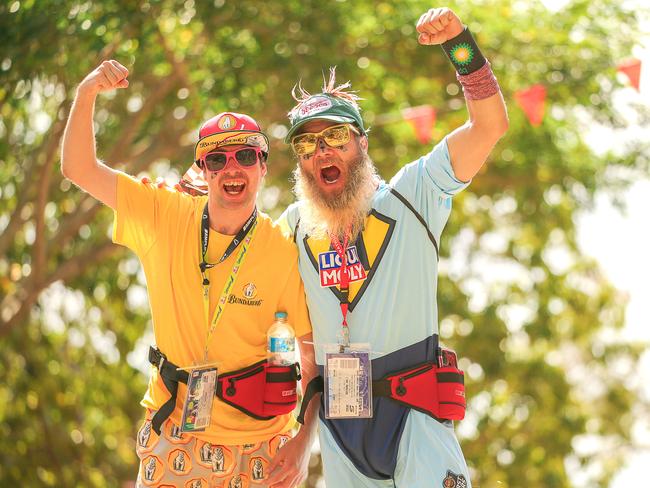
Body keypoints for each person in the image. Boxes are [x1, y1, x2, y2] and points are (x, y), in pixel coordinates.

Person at [61, 60, 318, 488]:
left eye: (246, 156)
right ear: (203, 168)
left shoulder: (283, 248)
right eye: (217, 158)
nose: (232, 168)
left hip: (263, 447)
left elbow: (312, 358)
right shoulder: (164, 213)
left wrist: (304, 444)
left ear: (263, 166)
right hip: (175, 435)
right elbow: (78, 169)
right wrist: (87, 90)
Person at [279, 7, 508, 488]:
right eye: (307, 145)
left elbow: (488, 127)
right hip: (339, 433)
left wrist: (459, 45)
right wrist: (192, 200)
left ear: (361, 143)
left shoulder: (413, 195)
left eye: (335, 137)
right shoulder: (294, 227)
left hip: (415, 416)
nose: (322, 152)